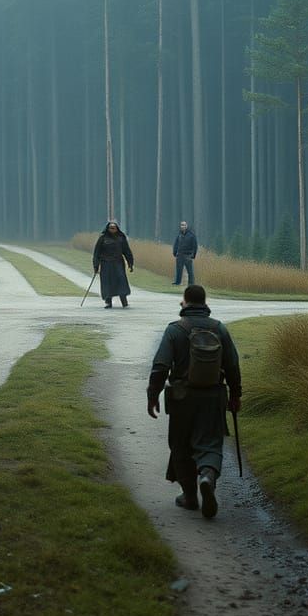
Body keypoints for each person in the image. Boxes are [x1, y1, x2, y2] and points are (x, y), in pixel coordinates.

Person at [146, 283, 241, 519]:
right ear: (205, 302)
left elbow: (160, 366)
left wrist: (153, 395)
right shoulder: (219, 328)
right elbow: (232, 365)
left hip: (182, 398)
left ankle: (189, 497)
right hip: (213, 397)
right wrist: (235, 395)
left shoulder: (175, 330)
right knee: (210, 443)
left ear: (185, 301)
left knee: (181, 445)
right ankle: (207, 477)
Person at [92, 219, 134, 308]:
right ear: (108, 228)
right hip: (106, 264)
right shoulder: (102, 238)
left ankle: (124, 301)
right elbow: (97, 253)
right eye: (111, 228)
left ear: (117, 228)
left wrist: (130, 263)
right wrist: (96, 266)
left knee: (121, 281)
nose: (112, 229)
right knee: (107, 283)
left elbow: (127, 251)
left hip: (118, 263)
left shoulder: (121, 238)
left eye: (114, 228)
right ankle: (108, 301)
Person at [172, 220, 198, 285]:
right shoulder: (179, 234)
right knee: (179, 270)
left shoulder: (191, 235)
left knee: (190, 271)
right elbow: (176, 244)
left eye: (184, 225)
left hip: (188, 255)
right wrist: (174, 252)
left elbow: (195, 246)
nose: (182, 226)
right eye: (181, 225)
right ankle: (177, 282)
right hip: (179, 255)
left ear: (186, 226)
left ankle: (191, 283)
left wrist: (193, 255)